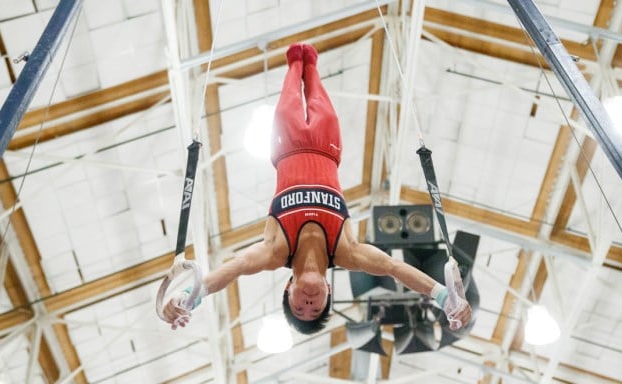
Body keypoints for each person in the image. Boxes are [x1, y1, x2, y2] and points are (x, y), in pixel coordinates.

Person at [162, 43, 471, 334]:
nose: (308, 303)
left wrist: (189, 296)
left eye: (299, 307)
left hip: (286, 148)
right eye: (315, 308)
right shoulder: (348, 252)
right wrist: (445, 298)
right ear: (329, 292)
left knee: (295, 65)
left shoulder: (274, 251)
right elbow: (393, 268)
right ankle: (309, 63)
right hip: (327, 147)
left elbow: (235, 267)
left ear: (288, 288)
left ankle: (296, 61)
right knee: (313, 72)